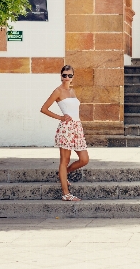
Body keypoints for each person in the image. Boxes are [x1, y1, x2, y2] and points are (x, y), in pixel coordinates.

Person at [40, 65, 89, 201]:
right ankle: (66, 194)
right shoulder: (58, 91)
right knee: (64, 160)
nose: (67, 78)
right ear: (61, 76)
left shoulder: (72, 91)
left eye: (70, 75)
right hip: (66, 128)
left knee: (84, 159)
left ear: (73, 77)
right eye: (64, 75)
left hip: (77, 128)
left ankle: (63, 174)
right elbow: (44, 109)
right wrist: (61, 117)